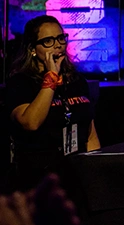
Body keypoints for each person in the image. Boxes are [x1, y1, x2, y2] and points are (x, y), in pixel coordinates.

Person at [6, 16, 100, 189]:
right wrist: (51, 77)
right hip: (38, 179)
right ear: (33, 49)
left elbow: (90, 134)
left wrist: (95, 173)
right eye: (48, 41)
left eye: (60, 38)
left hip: (76, 174)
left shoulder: (77, 81)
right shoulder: (20, 83)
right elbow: (31, 122)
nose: (57, 45)